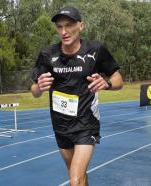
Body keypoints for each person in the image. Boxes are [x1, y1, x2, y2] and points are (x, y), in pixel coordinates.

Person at [30, 6, 123, 186]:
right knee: (78, 175)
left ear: (81, 26)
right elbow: (34, 90)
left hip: (86, 123)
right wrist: (39, 88)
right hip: (60, 125)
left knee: (75, 179)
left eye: (69, 25)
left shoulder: (95, 50)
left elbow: (117, 79)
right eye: (59, 27)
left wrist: (107, 84)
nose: (64, 31)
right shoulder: (47, 54)